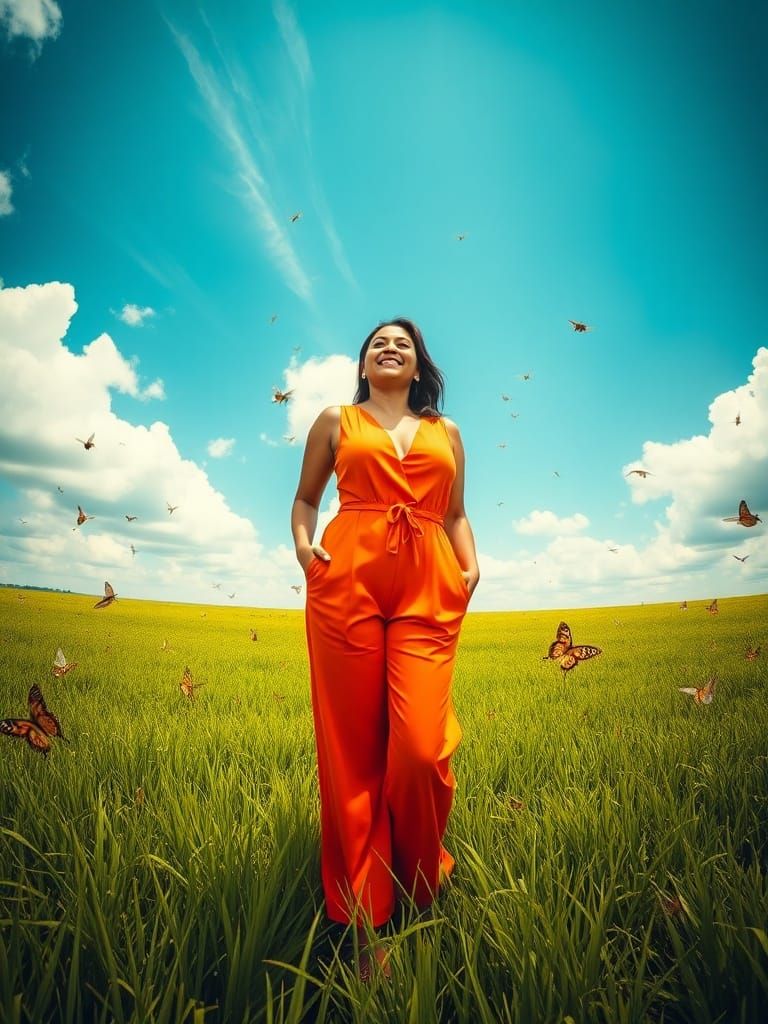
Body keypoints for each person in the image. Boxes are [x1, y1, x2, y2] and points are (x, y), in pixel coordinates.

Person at [290, 317, 479, 981]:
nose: (389, 347)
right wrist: (305, 548)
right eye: (377, 343)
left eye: (402, 342)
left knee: (420, 751)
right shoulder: (336, 421)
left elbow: (455, 512)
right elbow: (306, 499)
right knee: (353, 751)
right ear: (364, 364)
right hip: (348, 579)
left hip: (428, 579)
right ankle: (365, 919)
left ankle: (421, 882)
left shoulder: (446, 433)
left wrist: (470, 565)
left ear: (420, 362)